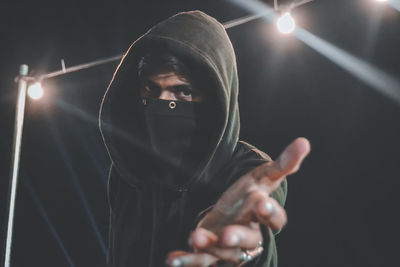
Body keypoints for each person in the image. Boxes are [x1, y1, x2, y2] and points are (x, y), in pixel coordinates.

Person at [99, 10, 310, 267]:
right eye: (151, 90)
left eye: (184, 91)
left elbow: (251, 226)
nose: (162, 104)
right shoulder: (130, 171)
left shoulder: (247, 169)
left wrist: (242, 246)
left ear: (216, 101)